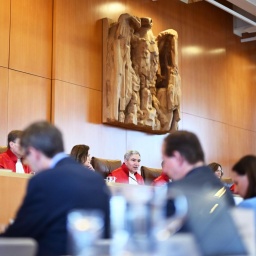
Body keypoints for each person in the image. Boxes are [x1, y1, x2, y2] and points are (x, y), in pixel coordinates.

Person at [0, 121, 110, 256]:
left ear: (34, 153)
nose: (27, 162)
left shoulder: (42, 181)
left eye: (27, 156)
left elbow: (18, 234)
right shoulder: (96, 179)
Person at [162, 131, 245, 255]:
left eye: (165, 160)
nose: (165, 169)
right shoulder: (225, 192)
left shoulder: (174, 193)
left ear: (178, 158)